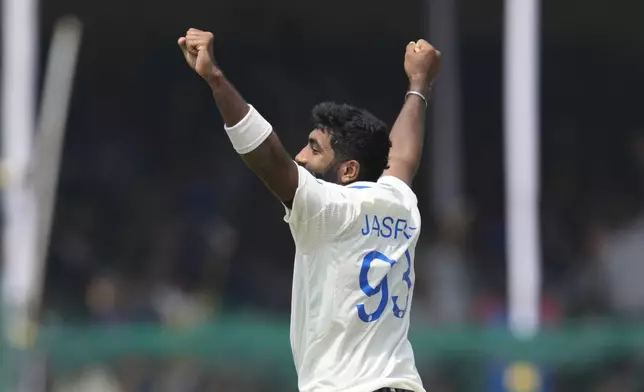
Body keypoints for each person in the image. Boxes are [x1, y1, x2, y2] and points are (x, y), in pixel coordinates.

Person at [178, 28, 441, 392]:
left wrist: (215, 78)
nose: (300, 156)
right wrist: (419, 83)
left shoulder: (329, 209)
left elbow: (268, 157)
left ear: (348, 171)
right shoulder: (399, 203)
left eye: (315, 149)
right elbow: (402, 158)